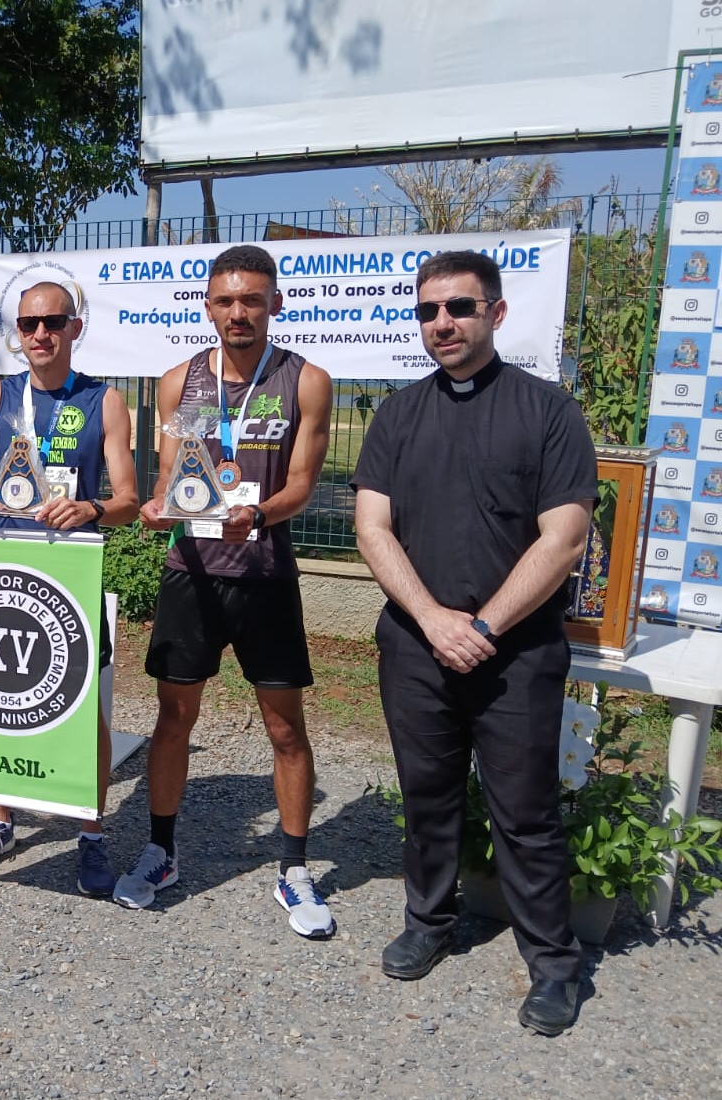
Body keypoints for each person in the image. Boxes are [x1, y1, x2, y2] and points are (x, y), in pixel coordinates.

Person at [352, 250, 597, 1036]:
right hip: (418, 645)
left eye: (458, 307)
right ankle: (430, 919)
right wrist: (431, 619)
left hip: (515, 655)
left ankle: (554, 963)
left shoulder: (549, 412)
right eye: (427, 311)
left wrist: (484, 625)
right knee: (426, 798)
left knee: (524, 811)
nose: (441, 324)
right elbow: (371, 526)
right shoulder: (397, 414)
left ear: (495, 312)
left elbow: (564, 539)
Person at [119, 245, 336, 936]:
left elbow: (303, 482)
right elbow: (170, 476)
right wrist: (157, 507)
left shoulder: (305, 380)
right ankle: (161, 851)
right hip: (192, 574)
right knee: (173, 719)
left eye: (251, 300)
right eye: (224, 301)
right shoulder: (181, 380)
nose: (238, 313)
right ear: (208, 307)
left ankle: (295, 869)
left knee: (284, 727)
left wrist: (261, 512)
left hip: (265, 574)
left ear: (275, 303)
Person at [0, 280, 139, 892]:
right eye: (29, 324)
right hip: (3, 570)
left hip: (69, 571)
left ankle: (90, 830)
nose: (40, 334)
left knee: (84, 708)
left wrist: (90, 508)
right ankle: (0, 818)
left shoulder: (105, 401)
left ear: (74, 328)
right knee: (3, 696)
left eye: (53, 322)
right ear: (17, 332)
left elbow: (130, 501)